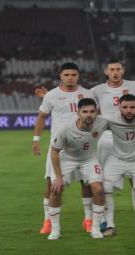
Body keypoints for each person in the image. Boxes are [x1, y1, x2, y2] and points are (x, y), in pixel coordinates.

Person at [32, 63, 94, 235]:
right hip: (58, 147)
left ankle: (88, 219)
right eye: (66, 74)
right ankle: (48, 221)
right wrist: (36, 140)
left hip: (82, 145)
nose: (70, 77)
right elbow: (42, 117)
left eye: (73, 74)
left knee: (86, 182)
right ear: (60, 75)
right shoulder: (51, 95)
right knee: (52, 184)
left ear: (78, 75)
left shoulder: (88, 94)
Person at [90, 58, 135, 231]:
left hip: (132, 138)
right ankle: (108, 222)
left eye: (118, 69)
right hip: (107, 138)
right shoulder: (96, 90)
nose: (115, 72)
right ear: (106, 71)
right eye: (111, 69)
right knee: (106, 182)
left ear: (123, 71)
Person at [47, 98, 107, 240]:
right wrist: (59, 177)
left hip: (89, 159)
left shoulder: (103, 122)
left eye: (92, 111)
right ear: (77, 112)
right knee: (56, 189)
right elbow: (54, 151)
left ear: (97, 112)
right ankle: (55, 230)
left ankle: (95, 228)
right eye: (85, 111)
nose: (89, 115)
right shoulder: (66, 128)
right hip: (66, 159)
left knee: (98, 189)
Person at [102, 94, 135, 236]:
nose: (129, 110)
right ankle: (110, 225)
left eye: (132, 107)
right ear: (119, 107)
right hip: (116, 159)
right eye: (125, 107)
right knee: (105, 188)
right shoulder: (109, 118)